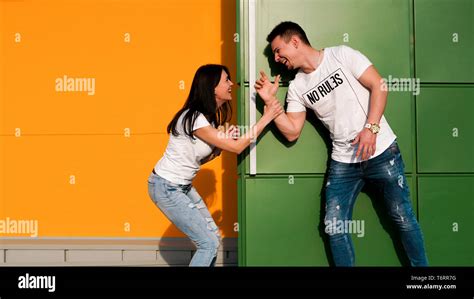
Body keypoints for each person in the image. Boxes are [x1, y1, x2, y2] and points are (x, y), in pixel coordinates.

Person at [255, 22, 428, 266]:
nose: (276, 58)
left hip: (381, 152)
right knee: (334, 227)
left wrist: (371, 129)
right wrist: (271, 103)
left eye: (277, 50)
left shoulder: (341, 54)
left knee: (403, 218)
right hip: (343, 162)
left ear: (294, 41)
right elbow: (292, 131)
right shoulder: (297, 87)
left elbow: (379, 85)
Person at [148, 64, 283, 266]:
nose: (231, 84)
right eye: (226, 80)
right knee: (208, 243)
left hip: (181, 187)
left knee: (212, 237)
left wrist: (218, 148)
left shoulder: (205, 121)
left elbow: (198, 160)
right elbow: (237, 148)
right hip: (166, 187)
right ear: (212, 87)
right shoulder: (192, 117)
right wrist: (267, 117)